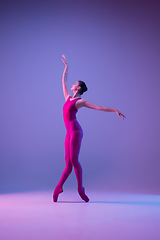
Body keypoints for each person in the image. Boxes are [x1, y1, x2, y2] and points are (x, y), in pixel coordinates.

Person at [53, 55, 126, 202]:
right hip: (68, 133)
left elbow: (99, 107)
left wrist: (114, 110)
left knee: (74, 161)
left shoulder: (81, 101)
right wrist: (66, 67)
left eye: (74, 84)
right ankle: (59, 187)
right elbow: (63, 81)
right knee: (67, 163)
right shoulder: (68, 98)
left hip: (75, 132)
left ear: (78, 88)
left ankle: (80, 189)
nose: (72, 85)